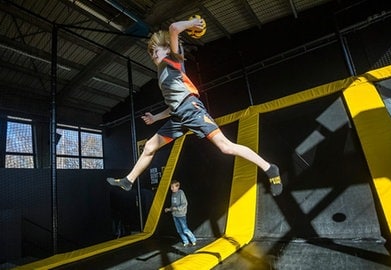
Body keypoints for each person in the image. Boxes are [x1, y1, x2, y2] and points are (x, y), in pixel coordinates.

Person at [107, 17, 283, 196]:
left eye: (155, 51)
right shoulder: (161, 74)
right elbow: (174, 105)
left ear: (167, 48)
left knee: (226, 147)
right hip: (178, 115)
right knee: (150, 146)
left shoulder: (173, 59)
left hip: (192, 109)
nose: (153, 56)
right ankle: (128, 181)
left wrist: (193, 23)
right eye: (150, 53)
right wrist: (155, 118)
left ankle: (270, 168)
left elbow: (174, 28)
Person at [164, 180, 197, 247]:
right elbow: (173, 206)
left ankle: (193, 240)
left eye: (173, 187)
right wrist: (169, 209)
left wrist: (177, 208)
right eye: (171, 187)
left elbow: (184, 204)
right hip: (174, 215)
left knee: (185, 230)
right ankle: (186, 241)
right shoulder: (173, 194)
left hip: (181, 215)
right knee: (179, 230)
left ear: (177, 186)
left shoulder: (180, 192)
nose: (171, 188)